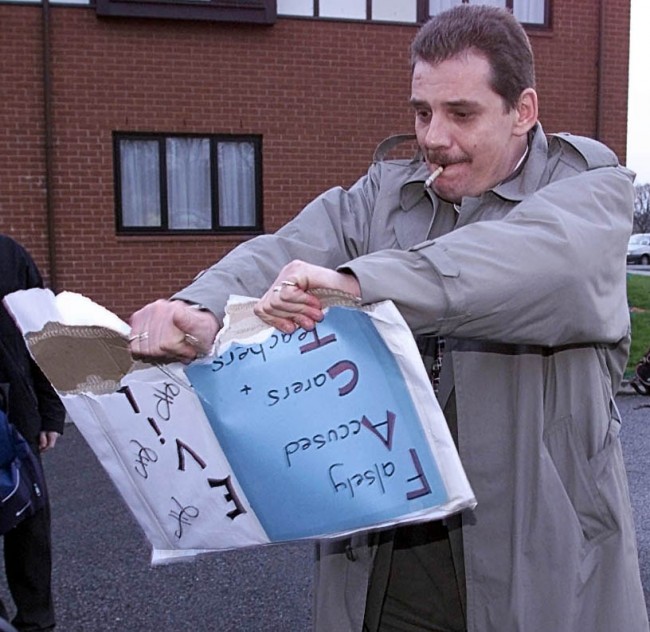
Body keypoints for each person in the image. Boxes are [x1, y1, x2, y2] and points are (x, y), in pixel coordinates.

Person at [128, 6, 649, 631]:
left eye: (461, 113)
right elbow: (286, 248)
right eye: (422, 112)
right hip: (386, 575)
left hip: (536, 573)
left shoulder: (588, 185)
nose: (433, 136)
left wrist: (357, 283)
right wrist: (200, 307)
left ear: (523, 111)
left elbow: (533, 263)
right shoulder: (386, 195)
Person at [0, 235, 65, 632]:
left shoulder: (10, 256)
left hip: (15, 415)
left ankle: (36, 622)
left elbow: (43, 335)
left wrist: (50, 412)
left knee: (29, 524)